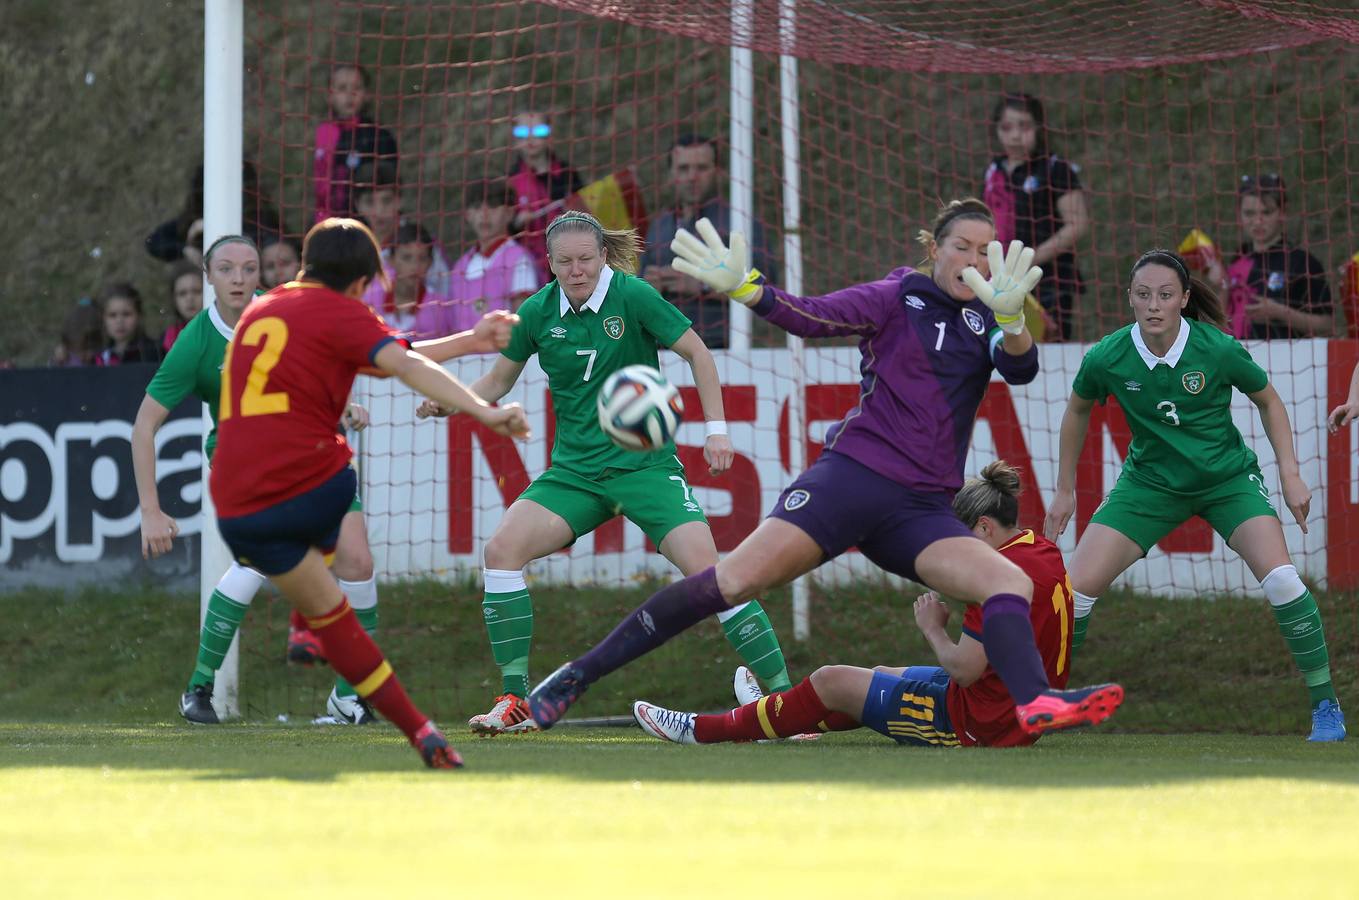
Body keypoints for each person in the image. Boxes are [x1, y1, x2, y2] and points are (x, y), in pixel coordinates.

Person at [528, 199, 1123, 736]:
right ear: (934, 249)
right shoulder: (897, 296)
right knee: (733, 581)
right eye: (959, 247)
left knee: (1009, 582)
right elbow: (810, 316)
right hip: (852, 480)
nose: (971, 260)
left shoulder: (990, 316)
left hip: (919, 509)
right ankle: (578, 675)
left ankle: (1038, 701)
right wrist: (748, 288)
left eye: (983, 251)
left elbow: (1020, 371)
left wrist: (1015, 321)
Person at [416, 209, 796, 736]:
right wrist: (452, 401)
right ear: (548, 263)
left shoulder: (633, 295)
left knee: (716, 578)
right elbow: (498, 382)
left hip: (646, 469)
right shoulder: (536, 312)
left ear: (602, 256)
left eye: (586, 259)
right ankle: (514, 699)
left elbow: (698, 353)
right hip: (575, 474)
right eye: (565, 261)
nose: (577, 270)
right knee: (501, 552)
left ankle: (786, 701)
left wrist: (717, 430)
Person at [134, 233, 519, 729]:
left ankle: (348, 698)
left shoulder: (284, 311)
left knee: (357, 561)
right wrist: (150, 508)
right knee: (258, 566)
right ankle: (201, 685)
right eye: (226, 269)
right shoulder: (199, 340)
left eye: (249, 268)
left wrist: (337, 406)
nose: (238, 279)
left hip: (317, 455)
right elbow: (145, 424)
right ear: (206, 276)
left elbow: (374, 357)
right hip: (250, 464)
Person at [1043, 248, 1345, 742]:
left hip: (1226, 481)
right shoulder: (1107, 355)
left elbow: (1268, 399)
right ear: (1131, 299)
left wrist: (1289, 473)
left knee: (1285, 582)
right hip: (1149, 485)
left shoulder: (1217, 348)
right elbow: (1077, 410)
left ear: (1184, 298)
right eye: (1143, 295)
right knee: (1069, 597)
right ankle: (1042, 705)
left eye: (1165, 295)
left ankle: (1325, 705)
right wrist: (1063, 490)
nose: (1154, 305)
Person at [635, 461, 1074, 748]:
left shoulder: (991, 578)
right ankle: (788, 722)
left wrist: (933, 629)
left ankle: (704, 730)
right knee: (879, 676)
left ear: (981, 528)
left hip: (980, 725)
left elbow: (964, 669)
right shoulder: (1040, 550)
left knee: (830, 680)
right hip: (1015, 709)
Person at [640, 134, 778, 349]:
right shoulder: (659, 227)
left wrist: (703, 285)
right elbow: (639, 292)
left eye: (701, 168)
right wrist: (649, 287)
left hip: (723, 347)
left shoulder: (740, 222)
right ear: (671, 174)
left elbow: (766, 286)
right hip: (662, 348)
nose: (692, 177)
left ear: (718, 172)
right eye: (684, 169)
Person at [981, 93, 1090, 341]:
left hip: (1048, 283)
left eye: (1024, 126)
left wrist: (1029, 261)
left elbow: (1077, 225)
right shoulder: (993, 171)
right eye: (1007, 127)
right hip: (1000, 282)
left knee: (1047, 354)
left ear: (1038, 128)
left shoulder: (1054, 169)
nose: (1016, 135)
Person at [1212, 173, 1333, 340]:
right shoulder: (1237, 259)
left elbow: (1327, 325)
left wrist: (1281, 313)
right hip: (1237, 358)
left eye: (1266, 212)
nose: (1258, 221)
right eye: (1249, 213)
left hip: (1289, 361)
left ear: (1283, 212)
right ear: (1239, 214)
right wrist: (1222, 285)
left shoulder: (1301, 262)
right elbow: (1221, 321)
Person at [145, 162, 282, 265]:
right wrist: (186, 249)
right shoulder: (191, 222)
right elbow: (154, 243)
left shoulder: (261, 220)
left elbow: (284, 246)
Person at [312, 63, 399, 222]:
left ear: (366, 95)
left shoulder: (378, 136)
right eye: (342, 88)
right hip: (326, 219)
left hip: (365, 222)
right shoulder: (323, 133)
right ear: (329, 95)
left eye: (356, 88)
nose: (349, 94)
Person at [447, 178, 538, 329]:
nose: (484, 214)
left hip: (503, 352)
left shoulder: (518, 259)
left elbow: (525, 322)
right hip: (462, 352)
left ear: (510, 212)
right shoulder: (459, 266)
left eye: (493, 206)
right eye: (476, 207)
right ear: (467, 215)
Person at [352, 159, 453, 295]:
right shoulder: (352, 249)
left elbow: (445, 295)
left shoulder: (423, 245)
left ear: (399, 200)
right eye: (370, 202)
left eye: (386, 200)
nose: (379, 210)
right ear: (358, 205)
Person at [507, 110, 585, 268]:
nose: (530, 138)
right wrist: (516, 223)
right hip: (529, 263)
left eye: (539, 131)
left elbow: (585, 209)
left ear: (549, 136)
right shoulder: (510, 181)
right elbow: (504, 230)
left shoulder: (567, 173)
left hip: (569, 257)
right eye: (522, 132)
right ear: (514, 140)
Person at [361, 219, 457, 340]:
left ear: (430, 263)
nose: (415, 266)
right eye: (407, 257)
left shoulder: (440, 307)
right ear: (391, 260)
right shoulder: (370, 300)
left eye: (422, 258)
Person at [96, 283, 162, 365]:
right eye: (112, 315)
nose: (119, 321)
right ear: (103, 318)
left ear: (139, 316)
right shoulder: (99, 357)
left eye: (126, 314)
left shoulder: (155, 352)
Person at [161, 260, 204, 352]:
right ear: (174, 299)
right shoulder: (165, 341)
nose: (190, 298)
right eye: (182, 293)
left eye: (196, 291)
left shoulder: (220, 332)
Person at [50, 298, 105, 367]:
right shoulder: (62, 356)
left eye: (87, 349)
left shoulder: (103, 357)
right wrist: (56, 360)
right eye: (76, 351)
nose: (82, 356)